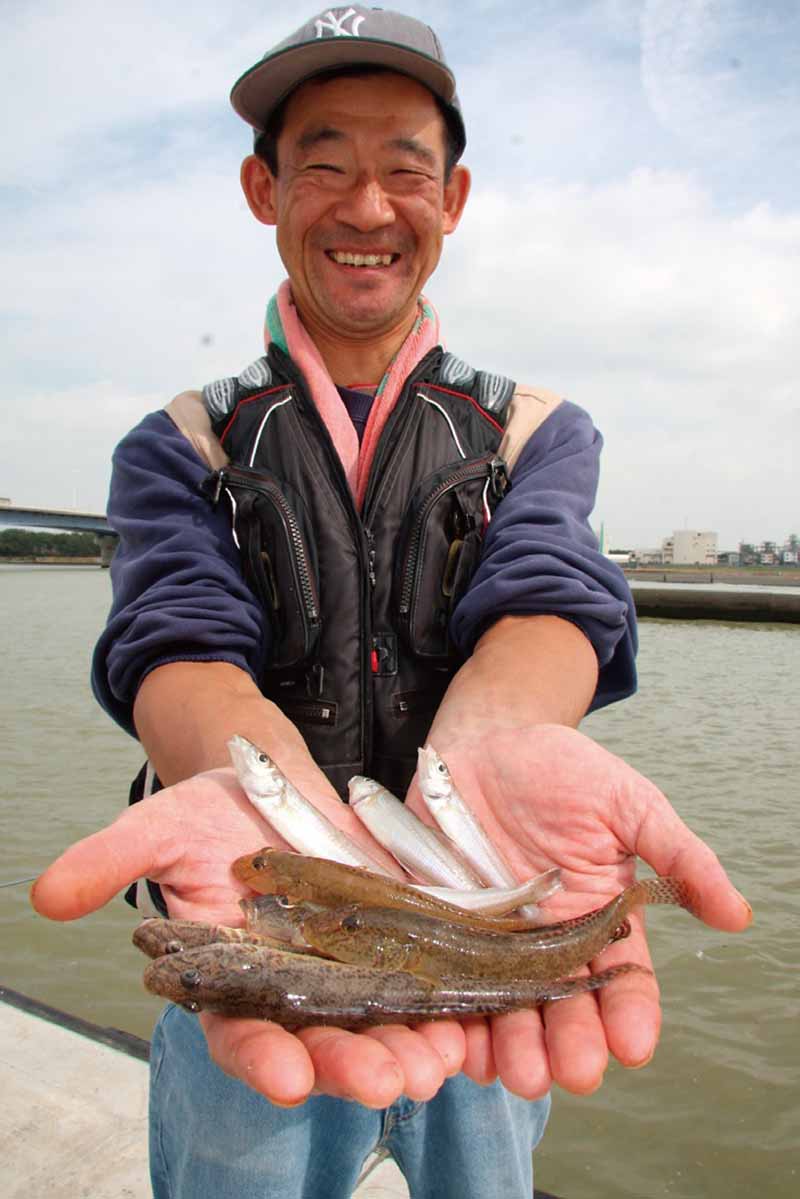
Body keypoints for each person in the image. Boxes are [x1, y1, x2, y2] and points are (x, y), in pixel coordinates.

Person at [31, 8, 752, 1199]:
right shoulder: (179, 444)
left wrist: (500, 744)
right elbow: (175, 636)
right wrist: (254, 792)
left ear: (452, 197)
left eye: (403, 170)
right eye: (322, 166)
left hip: (477, 990)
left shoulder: (535, 429)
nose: (366, 207)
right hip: (259, 950)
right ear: (264, 189)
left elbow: (550, 598)